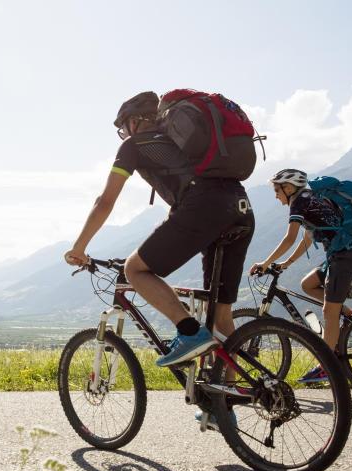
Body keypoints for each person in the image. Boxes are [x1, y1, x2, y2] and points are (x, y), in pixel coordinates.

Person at [64, 91, 255, 368]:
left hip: (204, 208)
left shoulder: (133, 146)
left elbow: (105, 202)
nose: (124, 134)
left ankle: (189, 331)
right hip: (241, 206)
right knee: (220, 312)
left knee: (135, 270)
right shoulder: (186, 144)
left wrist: (79, 247)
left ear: (135, 121)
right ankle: (226, 400)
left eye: (123, 128)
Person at [249, 168, 352, 383]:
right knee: (308, 284)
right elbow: (306, 239)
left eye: (277, 190)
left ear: (288, 188)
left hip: (347, 254)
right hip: (347, 252)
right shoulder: (310, 199)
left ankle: (326, 366)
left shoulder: (300, 201)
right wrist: (285, 263)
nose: (276, 196)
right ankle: (346, 314)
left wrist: (265, 263)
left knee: (328, 311)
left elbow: (290, 238)